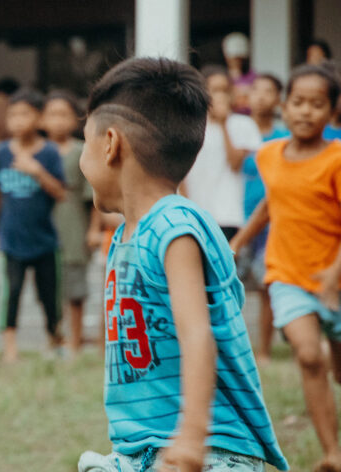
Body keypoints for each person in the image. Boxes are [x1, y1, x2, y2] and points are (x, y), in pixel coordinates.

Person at [76, 57, 288, 472]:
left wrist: (190, 439)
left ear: (110, 144)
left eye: (84, 143)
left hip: (210, 452)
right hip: (143, 450)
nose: (83, 161)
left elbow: (197, 335)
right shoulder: (126, 236)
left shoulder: (174, 225)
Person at [231, 64, 341, 472]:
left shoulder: (337, 159)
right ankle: (333, 452)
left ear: (332, 111)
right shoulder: (269, 154)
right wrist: (238, 242)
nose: (306, 112)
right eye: (298, 102)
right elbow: (271, 203)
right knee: (309, 356)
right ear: (284, 106)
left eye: (317, 104)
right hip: (287, 274)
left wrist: (333, 274)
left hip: (334, 279)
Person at [0, 88, 67, 363]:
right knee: (12, 292)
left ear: (39, 119)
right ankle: (10, 348)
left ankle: (55, 339)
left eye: (24, 114)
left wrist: (37, 172)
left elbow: (61, 193)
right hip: (12, 239)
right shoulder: (2, 152)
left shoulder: (50, 153)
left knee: (49, 296)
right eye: (12, 115)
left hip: (44, 240)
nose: (17, 121)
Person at [241, 74, 290, 363]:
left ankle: (264, 351)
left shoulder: (284, 137)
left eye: (268, 91)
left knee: (266, 287)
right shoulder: (237, 133)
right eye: (255, 90)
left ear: (278, 100)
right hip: (238, 218)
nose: (260, 96)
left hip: (273, 222)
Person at [184, 66, 261, 241]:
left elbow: (236, 164)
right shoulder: (192, 125)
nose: (220, 96)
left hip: (229, 215)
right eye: (215, 90)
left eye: (224, 90)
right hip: (197, 213)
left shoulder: (243, 124)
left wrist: (224, 123)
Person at [42, 90, 93, 354]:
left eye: (64, 114)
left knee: (75, 289)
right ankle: (55, 338)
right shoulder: (38, 152)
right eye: (52, 114)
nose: (58, 121)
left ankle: (76, 339)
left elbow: (92, 196)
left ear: (75, 119)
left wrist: (94, 229)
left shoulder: (82, 151)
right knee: (50, 288)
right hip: (44, 226)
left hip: (74, 226)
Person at [222, 32, 256, 114]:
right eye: (233, 58)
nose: (236, 61)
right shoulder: (222, 77)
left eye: (239, 58)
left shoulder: (253, 77)